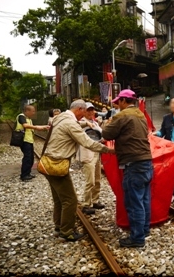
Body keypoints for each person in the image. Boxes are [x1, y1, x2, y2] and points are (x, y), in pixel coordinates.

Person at [43, 100, 114, 241]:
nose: (85, 114)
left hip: (47, 163)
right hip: (57, 165)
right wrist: (108, 150)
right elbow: (87, 142)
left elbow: (74, 126)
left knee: (59, 199)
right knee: (70, 200)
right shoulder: (70, 123)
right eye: (84, 111)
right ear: (80, 109)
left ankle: (58, 227)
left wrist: (85, 123)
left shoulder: (60, 118)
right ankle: (66, 231)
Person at [102, 89, 153, 248]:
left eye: (119, 102)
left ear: (124, 101)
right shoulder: (140, 115)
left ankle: (137, 238)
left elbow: (107, 133)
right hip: (146, 161)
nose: (118, 105)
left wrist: (107, 123)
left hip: (133, 163)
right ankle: (144, 230)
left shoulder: (122, 115)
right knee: (144, 199)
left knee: (134, 202)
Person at [78, 102, 105, 215]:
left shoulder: (94, 122)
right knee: (90, 181)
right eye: (88, 110)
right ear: (84, 111)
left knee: (97, 179)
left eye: (92, 110)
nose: (91, 112)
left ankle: (95, 200)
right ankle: (86, 204)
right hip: (87, 154)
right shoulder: (80, 123)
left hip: (96, 153)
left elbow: (101, 134)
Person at [15, 105, 50, 181]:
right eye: (33, 111)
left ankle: (28, 173)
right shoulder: (21, 117)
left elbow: (31, 127)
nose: (34, 113)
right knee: (27, 158)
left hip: (29, 140)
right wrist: (37, 127)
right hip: (24, 140)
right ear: (27, 111)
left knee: (30, 158)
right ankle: (24, 175)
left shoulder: (28, 118)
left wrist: (43, 127)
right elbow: (25, 125)